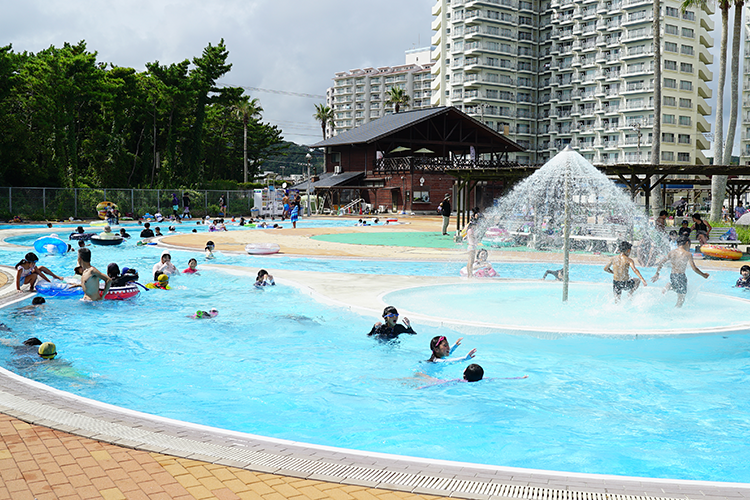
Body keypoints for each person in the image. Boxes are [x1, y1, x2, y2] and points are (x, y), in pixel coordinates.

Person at [652, 235, 709, 307]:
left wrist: (657, 274)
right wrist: (703, 275)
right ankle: (676, 312)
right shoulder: (688, 254)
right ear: (687, 243)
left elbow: (661, 263)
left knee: (677, 289)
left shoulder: (671, 252)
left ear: (677, 244)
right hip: (681, 276)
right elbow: (694, 268)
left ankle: (670, 286)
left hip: (673, 275)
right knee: (681, 299)